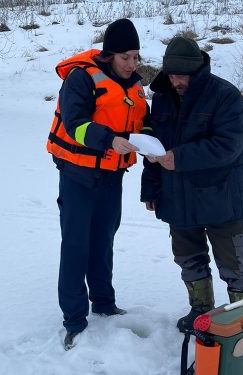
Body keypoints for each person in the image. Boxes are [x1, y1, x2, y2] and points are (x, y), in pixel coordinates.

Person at [140, 37, 243, 355]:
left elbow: (228, 146)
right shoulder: (163, 97)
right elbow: (153, 147)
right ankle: (200, 311)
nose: (176, 80)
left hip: (221, 199)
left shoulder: (225, 96)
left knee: (236, 265)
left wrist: (178, 158)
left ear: (198, 70)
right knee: (189, 260)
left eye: (182, 75)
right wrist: (151, 188)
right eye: (171, 74)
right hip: (176, 198)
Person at [47, 18, 150, 350]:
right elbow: (75, 124)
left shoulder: (133, 85)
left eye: (136, 57)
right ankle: (75, 321)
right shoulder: (81, 79)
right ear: (110, 55)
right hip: (78, 176)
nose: (132, 64)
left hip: (112, 176)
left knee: (103, 241)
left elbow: (142, 120)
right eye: (126, 57)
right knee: (77, 245)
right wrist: (109, 140)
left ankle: (104, 304)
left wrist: (147, 138)